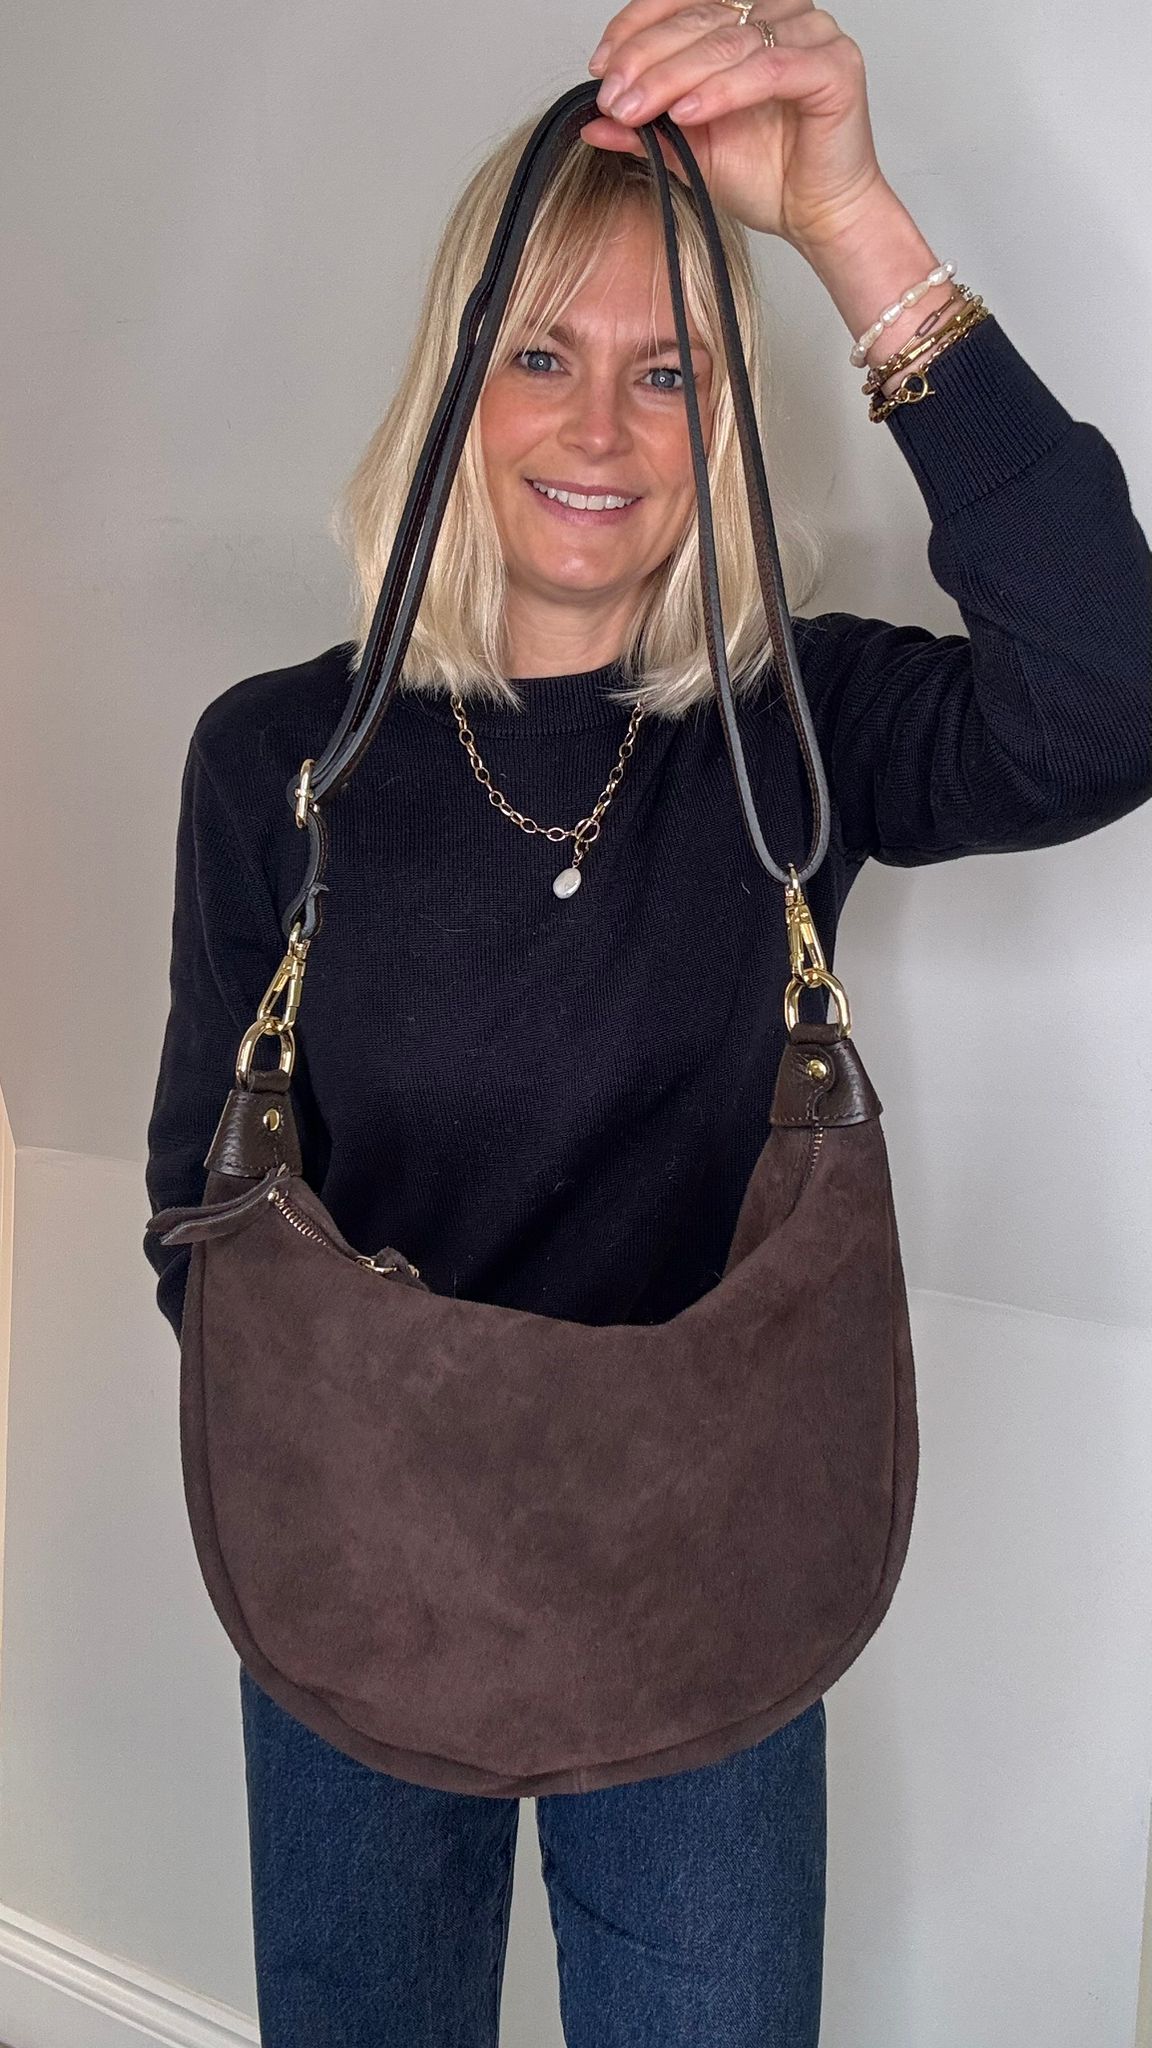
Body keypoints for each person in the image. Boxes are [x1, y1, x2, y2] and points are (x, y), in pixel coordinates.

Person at [142, 5, 1152, 2043]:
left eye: (666, 371)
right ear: (454, 390)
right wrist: (395, 1441)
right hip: (359, 1574)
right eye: (542, 355)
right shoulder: (284, 763)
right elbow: (202, 1210)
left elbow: (1107, 697)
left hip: (713, 1576)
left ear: (725, 419)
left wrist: (849, 218)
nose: (597, 431)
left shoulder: (799, 732)